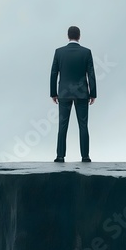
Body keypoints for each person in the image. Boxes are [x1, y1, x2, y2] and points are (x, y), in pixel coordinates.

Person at [50, 26, 97, 163]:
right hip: (82, 93)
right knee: (83, 125)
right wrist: (92, 93)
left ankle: (60, 156)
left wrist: (53, 93)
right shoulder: (86, 52)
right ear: (79, 36)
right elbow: (91, 74)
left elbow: (54, 73)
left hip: (64, 93)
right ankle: (85, 156)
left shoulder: (59, 52)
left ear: (68, 36)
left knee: (62, 125)